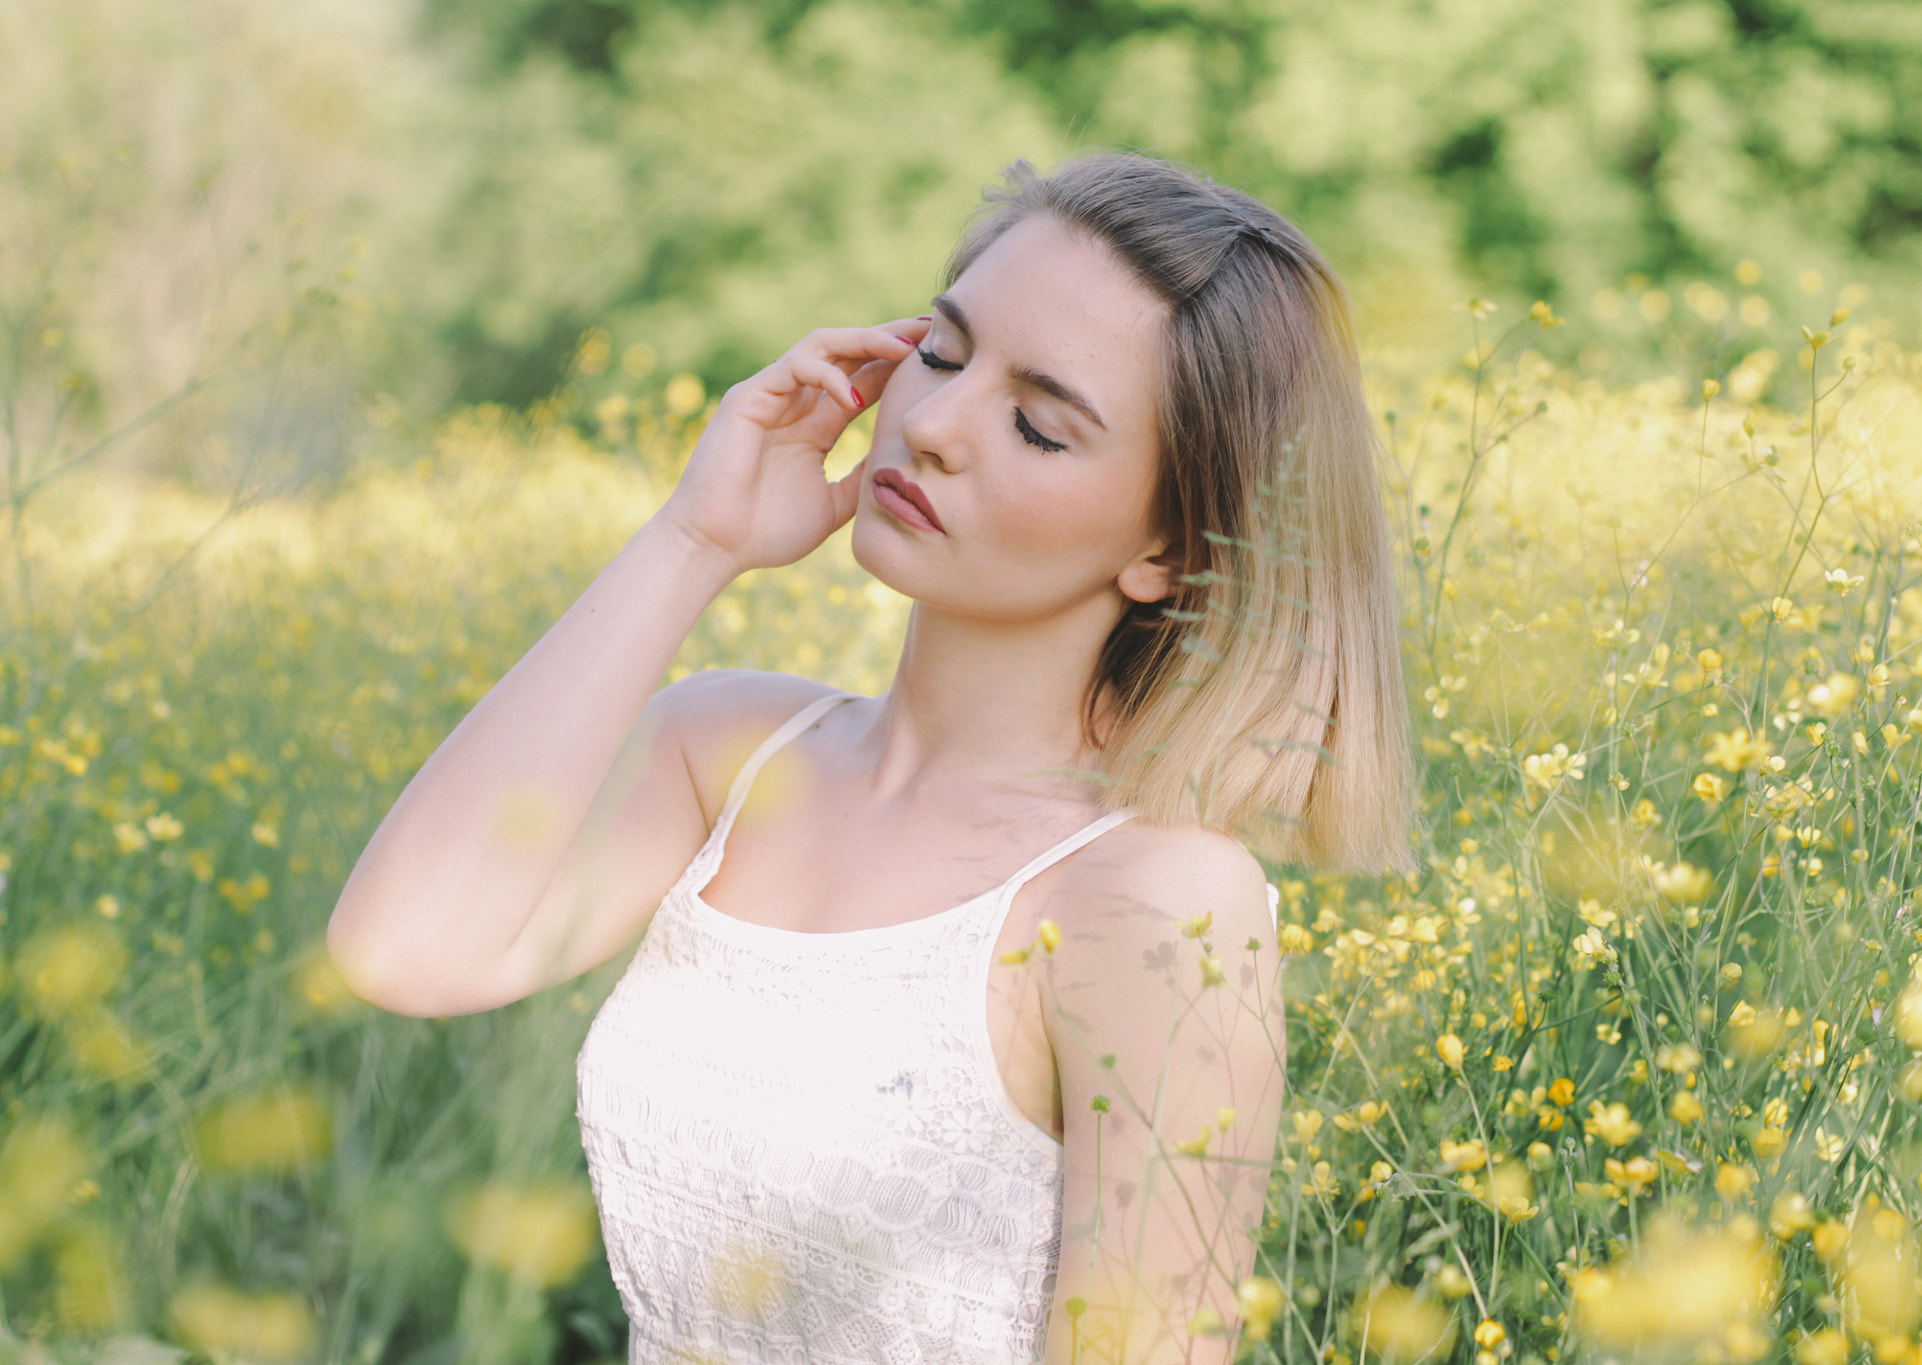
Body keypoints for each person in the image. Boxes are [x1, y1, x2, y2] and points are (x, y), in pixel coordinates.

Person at [328, 151, 1416, 1365]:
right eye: (940, 354)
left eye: (1037, 427)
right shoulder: (724, 753)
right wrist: (694, 540)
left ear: (1166, 548)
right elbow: (400, 952)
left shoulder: (1152, 902)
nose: (934, 425)